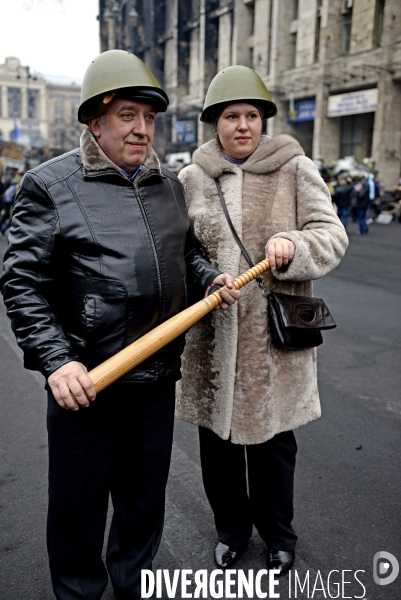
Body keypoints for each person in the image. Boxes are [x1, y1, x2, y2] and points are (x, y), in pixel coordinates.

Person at [0, 50, 239, 600]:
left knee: (142, 504)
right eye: (128, 115)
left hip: (155, 383)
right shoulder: (49, 185)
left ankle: (134, 586)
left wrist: (207, 280)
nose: (141, 128)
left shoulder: (168, 184)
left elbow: (188, 252)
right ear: (96, 122)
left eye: (149, 117)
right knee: (79, 511)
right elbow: (22, 284)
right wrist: (58, 362)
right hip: (89, 387)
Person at [176, 65, 348, 576]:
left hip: (274, 343)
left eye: (252, 115)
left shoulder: (295, 169)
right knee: (218, 449)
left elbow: (332, 234)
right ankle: (230, 532)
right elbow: (179, 250)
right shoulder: (191, 178)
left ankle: (279, 537)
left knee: (274, 451)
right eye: (232, 116)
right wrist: (205, 277)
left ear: (264, 120)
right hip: (211, 340)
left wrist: (295, 244)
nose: (243, 125)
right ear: (215, 123)